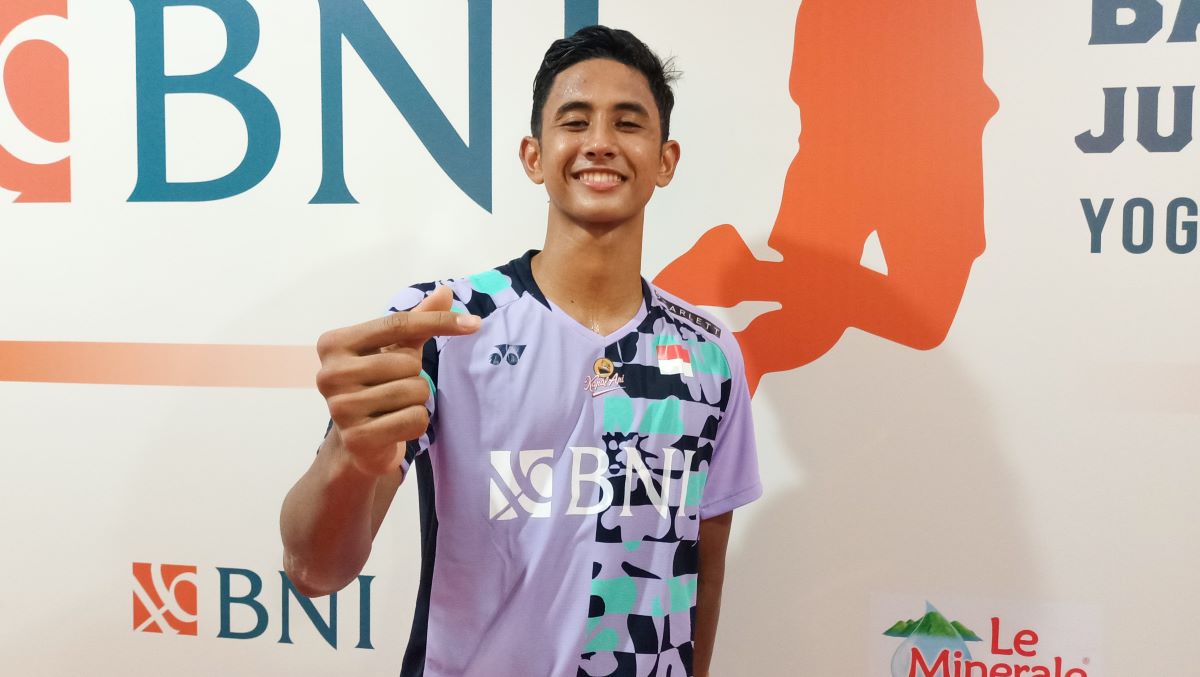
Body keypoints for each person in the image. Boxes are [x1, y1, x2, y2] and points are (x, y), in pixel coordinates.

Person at [280, 25, 762, 677]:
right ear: (534, 156)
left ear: (665, 160)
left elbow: (705, 560)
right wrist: (348, 452)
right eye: (575, 120)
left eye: (627, 123)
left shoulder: (709, 354)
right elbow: (314, 571)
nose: (600, 142)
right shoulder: (443, 324)